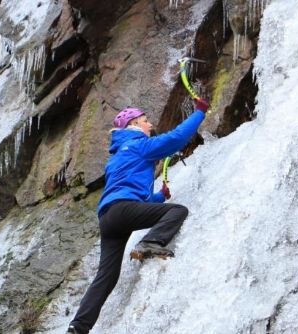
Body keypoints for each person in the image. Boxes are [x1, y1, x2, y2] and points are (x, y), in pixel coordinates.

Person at [67, 98, 210, 334]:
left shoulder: (118, 156)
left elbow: (130, 194)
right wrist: (199, 113)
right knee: (178, 211)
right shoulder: (138, 145)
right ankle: (150, 243)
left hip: (109, 218)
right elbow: (175, 139)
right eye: (145, 121)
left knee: (107, 276)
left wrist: (159, 197)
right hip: (123, 210)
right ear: (133, 124)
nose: (150, 125)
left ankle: (78, 327)